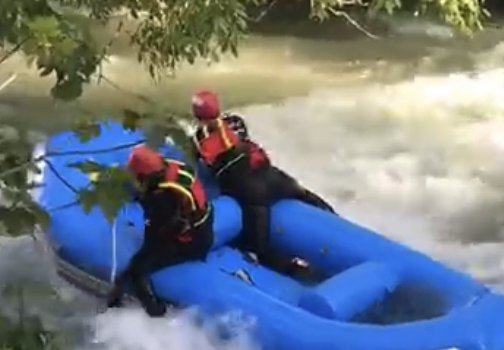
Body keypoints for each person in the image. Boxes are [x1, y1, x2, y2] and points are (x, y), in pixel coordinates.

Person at [189, 90, 333, 274]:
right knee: (306, 195)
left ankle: (298, 272)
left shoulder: (197, 140)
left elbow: (200, 165)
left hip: (252, 195)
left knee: (258, 249)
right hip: (274, 178)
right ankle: (334, 219)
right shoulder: (234, 121)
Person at [106, 144, 215, 315]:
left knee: (137, 269)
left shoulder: (163, 199)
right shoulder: (171, 167)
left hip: (191, 242)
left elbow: (155, 238)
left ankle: (155, 312)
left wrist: (125, 275)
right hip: (201, 221)